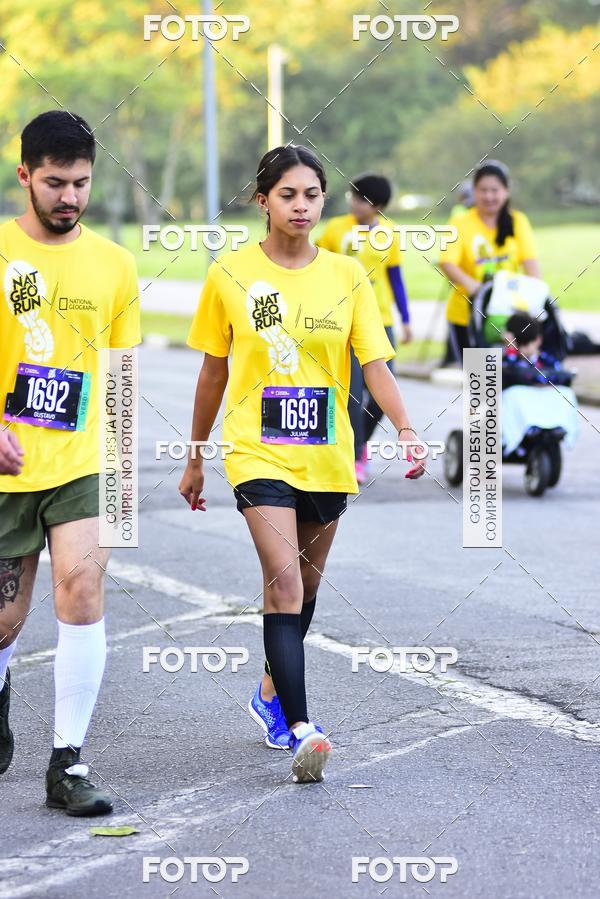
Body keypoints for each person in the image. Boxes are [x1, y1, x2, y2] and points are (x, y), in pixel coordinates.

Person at [179, 145, 426, 784]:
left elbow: (375, 365)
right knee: (286, 582)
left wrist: (405, 427)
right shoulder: (229, 275)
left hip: (325, 452)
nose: (301, 206)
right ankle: (302, 727)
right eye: (287, 195)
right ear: (262, 200)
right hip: (255, 450)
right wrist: (197, 455)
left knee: (304, 589)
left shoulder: (347, 275)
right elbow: (212, 372)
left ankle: (268, 691)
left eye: (312, 195)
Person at [0, 111, 141, 815]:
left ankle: (68, 762)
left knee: (81, 595)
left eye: (81, 183)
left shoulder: (115, 264)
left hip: (82, 462)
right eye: (54, 182)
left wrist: (123, 477)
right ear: (23, 173)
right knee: (3, 620)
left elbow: (120, 376)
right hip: (6, 469)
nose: (69, 198)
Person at [317, 174, 411, 483]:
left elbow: (396, 278)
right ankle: (355, 456)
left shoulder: (390, 233)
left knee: (385, 391)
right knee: (354, 393)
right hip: (342, 321)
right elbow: (312, 265)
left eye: (359, 198)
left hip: (380, 320)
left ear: (377, 205)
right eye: (352, 197)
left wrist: (406, 319)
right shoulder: (335, 230)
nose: (352, 202)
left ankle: (361, 443)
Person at [439, 160, 541, 363]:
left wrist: (534, 300)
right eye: (482, 190)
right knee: (482, 384)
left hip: (507, 317)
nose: (489, 196)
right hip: (467, 315)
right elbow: (447, 262)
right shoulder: (459, 223)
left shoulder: (518, 221)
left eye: (495, 190)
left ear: (506, 191)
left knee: (512, 375)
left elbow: (531, 264)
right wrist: (478, 290)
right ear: (474, 192)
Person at [502, 313, 568, 389]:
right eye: (517, 344)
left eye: (525, 343)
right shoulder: (509, 361)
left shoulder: (548, 361)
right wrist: (511, 350)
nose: (521, 349)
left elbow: (559, 380)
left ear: (538, 340)